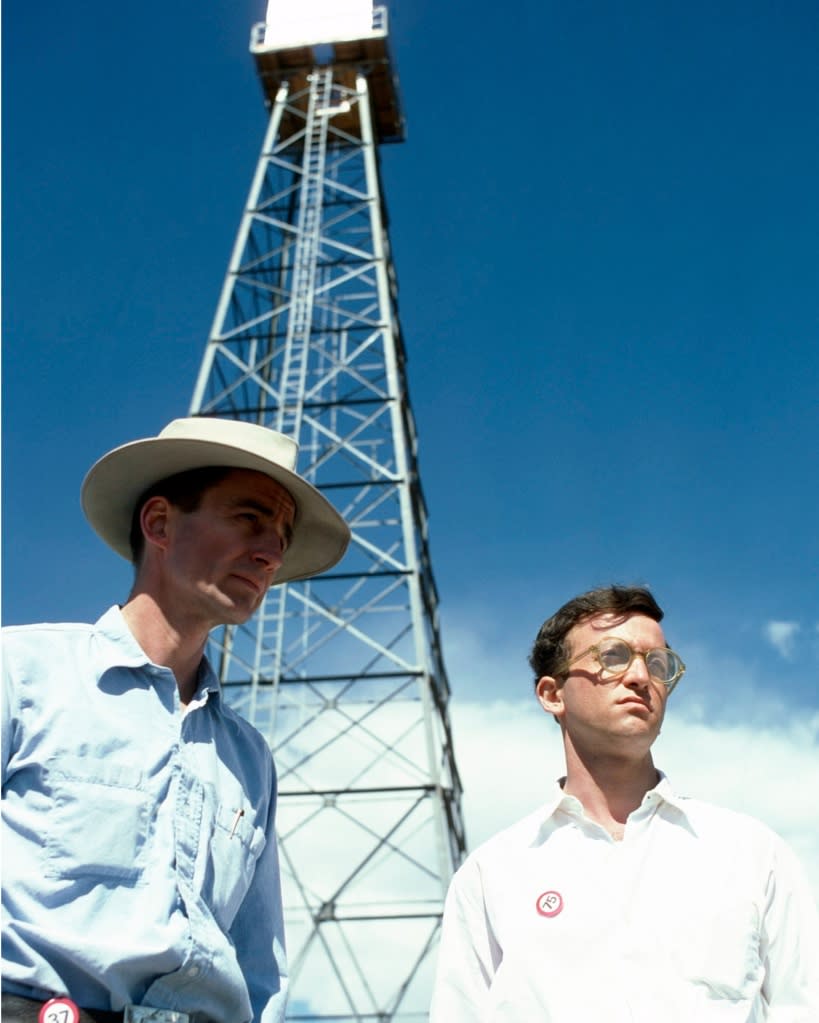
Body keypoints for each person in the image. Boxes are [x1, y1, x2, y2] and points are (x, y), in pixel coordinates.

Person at [2, 417, 351, 1023]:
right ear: (159, 523)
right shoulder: (23, 672)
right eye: (249, 518)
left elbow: (259, 964)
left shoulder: (248, 758)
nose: (270, 552)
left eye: (282, 535)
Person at [430, 585, 819, 1022]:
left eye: (658, 664)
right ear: (552, 695)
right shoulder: (490, 877)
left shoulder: (751, 853)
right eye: (612, 657)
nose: (640, 677)